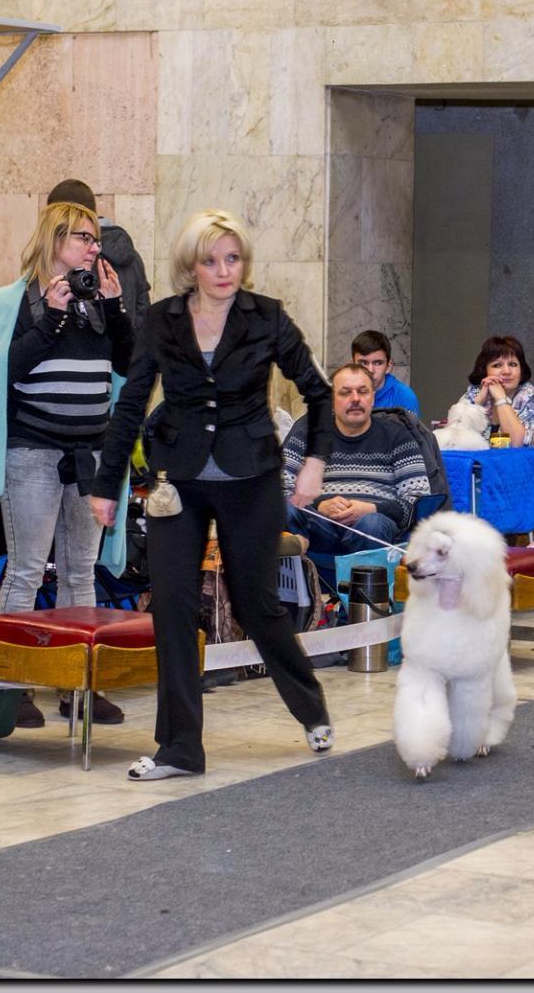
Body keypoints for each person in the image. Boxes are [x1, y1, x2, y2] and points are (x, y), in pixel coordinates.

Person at [89, 209, 334, 781]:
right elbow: (131, 403)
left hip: (251, 478)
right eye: (211, 260)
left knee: (255, 604)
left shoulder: (267, 317)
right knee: (172, 605)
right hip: (178, 482)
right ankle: (180, 749)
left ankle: (310, 706)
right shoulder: (161, 320)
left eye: (233, 259)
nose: (224, 271)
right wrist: (106, 484)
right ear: (191, 266)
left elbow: (317, 393)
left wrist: (315, 463)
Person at [0, 198, 135, 729]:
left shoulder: (97, 299)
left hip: (89, 455)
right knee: (26, 569)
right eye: (84, 237)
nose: (93, 247)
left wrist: (115, 307)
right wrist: (53, 317)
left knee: (81, 571)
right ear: (55, 240)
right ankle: (11, 689)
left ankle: (77, 687)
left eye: (95, 239)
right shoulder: (15, 300)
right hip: (32, 452)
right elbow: (8, 371)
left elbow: (128, 364)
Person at [282, 362, 441, 556]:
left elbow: (418, 501)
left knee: (371, 523)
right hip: (318, 528)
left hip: (374, 528)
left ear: (373, 397)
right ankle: (298, 571)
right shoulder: (307, 434)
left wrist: (372, 508)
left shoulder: (398, 437)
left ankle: (362, 577)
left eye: (363, 392)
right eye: (345, 393)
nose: (355, 399)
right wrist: (319, 504)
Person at [46, 178, 151, 330]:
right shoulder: (132, 255)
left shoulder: (76, 257)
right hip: (126, 340)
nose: (93, 249)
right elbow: (144, 311)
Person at [459, 335, 534, 449]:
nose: (506, 371)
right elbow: (454, 436)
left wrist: (500, 399)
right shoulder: (475, 392)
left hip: (523, 461)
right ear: (484, 371)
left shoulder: (532, 399)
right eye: (497, 365)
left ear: (521, 370)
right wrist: (479, 401)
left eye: (513, 364)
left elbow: (516, 444)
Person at [351, 329, 420, 416]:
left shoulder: (404, 396)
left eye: (378, 363)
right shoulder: (342, 394)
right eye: (363, 363)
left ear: (388, 366)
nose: (370, 370)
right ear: (352, 366)